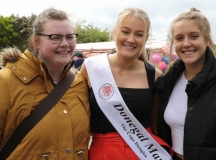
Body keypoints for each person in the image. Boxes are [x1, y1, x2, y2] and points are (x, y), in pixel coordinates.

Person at [80, 7, 172, 160]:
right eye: (125, 31)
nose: (131, 39)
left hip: (144, 153)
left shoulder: (154, 75)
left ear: (146, 38)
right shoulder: (91, 67)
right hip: (102, 153)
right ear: (115, 32)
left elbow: (157, 123)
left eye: (139, 34)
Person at [0, 8, 90, 159]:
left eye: (69, 37)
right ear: (36, 42)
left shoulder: (80, 84)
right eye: (55, 37)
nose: (65, 43)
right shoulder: (7, 81)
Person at [154, 7, 216, 160]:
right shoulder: (166, 83)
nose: (186, 44)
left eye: (193, 36)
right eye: (179, 38)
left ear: (207, 39)